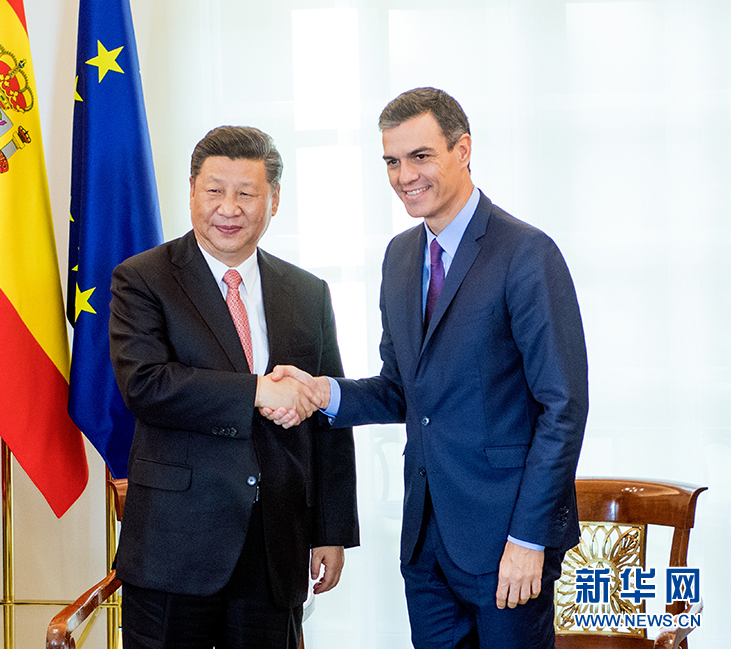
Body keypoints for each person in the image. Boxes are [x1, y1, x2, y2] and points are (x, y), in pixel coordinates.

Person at [266, 88, 588, 648]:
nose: (404, 176)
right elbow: (401, 389)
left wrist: (529, 540)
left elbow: (563, 407)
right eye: (392, 161)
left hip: (507, 544)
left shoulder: (526, 253)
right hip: (425, 543)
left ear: (463, 150)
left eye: (420, 156)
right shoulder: (400, 256)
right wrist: (322, 392)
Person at [109, 125, 359, 649]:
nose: (229, 208)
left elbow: (328, 414)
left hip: (275, 547)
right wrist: (257, 392)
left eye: (246, 193)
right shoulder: (143, 278)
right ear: (191, 192)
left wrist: (332, 530)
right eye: (214, 190)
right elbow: (146, 384)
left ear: (274, 200)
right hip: (173, 547)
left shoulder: (308, 292)